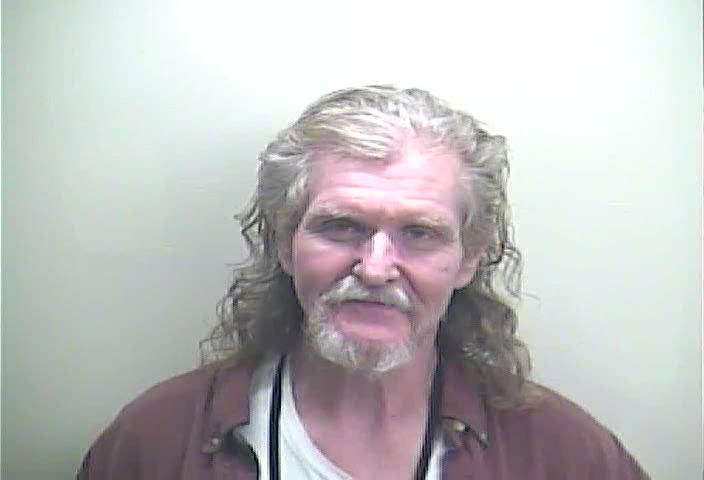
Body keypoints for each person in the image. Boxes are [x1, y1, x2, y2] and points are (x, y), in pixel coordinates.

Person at [77, 86, 649, 479]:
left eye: (419, 233)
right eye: (341, 226)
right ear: (285, 244)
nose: (376, 269)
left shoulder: (563, 455)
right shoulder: (157, 443)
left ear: (469, 259)